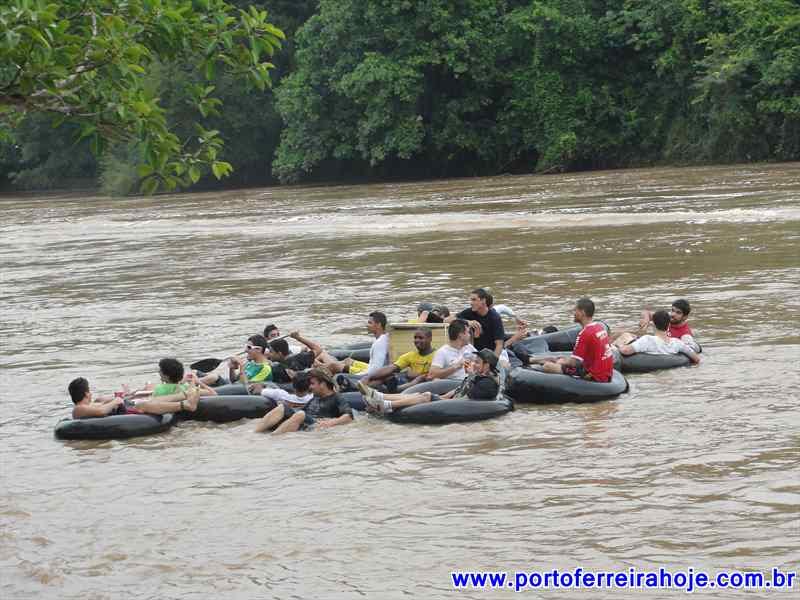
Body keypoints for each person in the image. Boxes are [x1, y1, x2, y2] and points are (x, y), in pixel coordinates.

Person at [359, 349, 500, 414]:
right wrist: (439, 398)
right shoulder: (477, 377)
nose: (474, 364)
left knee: (425, 396)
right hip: (453, 401)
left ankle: (386, 405)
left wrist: (436, 400)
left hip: (460, 406)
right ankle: (378, 396)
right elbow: (455, 391)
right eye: (474, 361)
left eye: (478, 362)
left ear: (486, 365)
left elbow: (468, 400)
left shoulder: (487, 383)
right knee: (421, 394)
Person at [69, 361, 202, 419]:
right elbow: (102, 410)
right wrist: (115, 401)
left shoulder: (86, 407)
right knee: (144, 404)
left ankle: (185, 396)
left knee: (152, 400)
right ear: (86, 393)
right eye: (89, 391)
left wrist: (123, 396)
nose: (91, 393)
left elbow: (101, 406)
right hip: (124, 410)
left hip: (124, 407)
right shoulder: (79, 408)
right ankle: (185, 404)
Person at [533, 298, 614, 382]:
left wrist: (560, 362)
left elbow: (574, 363)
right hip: (605, 373)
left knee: (548, 366)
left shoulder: (585, 333)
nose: (573, 313)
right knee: (562, 359)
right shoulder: (600, 328)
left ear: (582, 313)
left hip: (593, 375)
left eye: (575, 310)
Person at [254, 368, 353, 434]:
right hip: (305, 421)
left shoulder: (337, 397)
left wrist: (331, 423)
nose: (310, 387)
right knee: (282, 407)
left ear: (322, 384)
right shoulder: (315, 397)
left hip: (316, 424)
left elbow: (348, 416)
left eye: (312, 384)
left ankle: (273, 438)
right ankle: (256, 433)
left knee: (300, 414)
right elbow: (302, 410)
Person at [359, 328, 435, 390]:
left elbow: (430, 376)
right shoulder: (411, 355)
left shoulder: (436, 356)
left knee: (417, 378)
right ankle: (363, 388)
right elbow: (391, 367)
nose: (417, 340)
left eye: (421, 338)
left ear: (429, 339)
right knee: (387, 376)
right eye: (415, 338)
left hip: (423, 385)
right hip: (408, 382)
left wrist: (414, 375)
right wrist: (368, 377)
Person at [615, 310, 701, 364]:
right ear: (668, 326)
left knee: (625, 336)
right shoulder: (677, 343)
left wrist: (619, 345)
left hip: (649, 372)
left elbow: (625, 351)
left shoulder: (647, 340)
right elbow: (696, 359)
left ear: (654, 325)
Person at [203, 334, 273, 393]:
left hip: (243, 393)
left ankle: (197, 391)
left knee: (214, 380)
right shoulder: (250, 363)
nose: (245, 350)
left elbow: (246, 387)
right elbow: (234, 380)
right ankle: (194, 383)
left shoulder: (265, 368)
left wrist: (241, 365)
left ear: (259, 350)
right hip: (235, 387)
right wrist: (232, 368)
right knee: (214, 377)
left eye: (249, 347)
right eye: (246, 347)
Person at [448, 288, 505, 357]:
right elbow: (447, 320)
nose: (471, 303)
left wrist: (491, 363)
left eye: (474, 300)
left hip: (491, 353)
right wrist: (467, 322)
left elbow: (499, 345)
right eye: (471, 300)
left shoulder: (495, 318)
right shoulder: (469, 312)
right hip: (474, 353)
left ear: (483, 301)